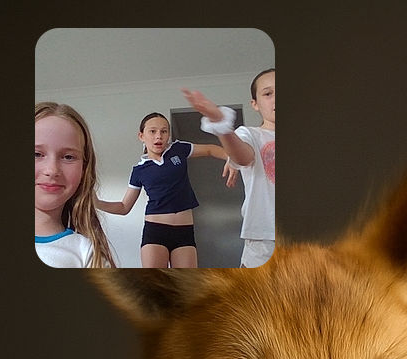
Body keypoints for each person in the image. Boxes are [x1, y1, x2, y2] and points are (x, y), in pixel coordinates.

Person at [97, 111, 228, 268]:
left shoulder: (179, 149)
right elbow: (124, 207)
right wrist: (96, 202)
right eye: (152, 131)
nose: (158, 136)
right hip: (155, 232)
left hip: (185, 231)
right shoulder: (139, 170)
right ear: (141, 136)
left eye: (164, 131)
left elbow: (210, 149)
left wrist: (233, 159)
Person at [183, 68, 275, 268]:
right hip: (265, 242)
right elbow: (242, 155)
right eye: (268, 93)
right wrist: (221, 124)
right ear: (255, 104)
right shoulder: (251, 134)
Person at [34, 102, 116, 268]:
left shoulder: (88, 254)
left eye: (68, 157)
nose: (52, 170)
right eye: (36, 154)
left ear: (84, 170)